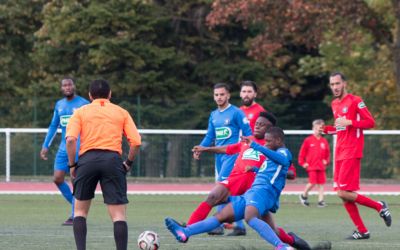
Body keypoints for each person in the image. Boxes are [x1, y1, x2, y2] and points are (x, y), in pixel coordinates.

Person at [166, 127, 296, 250]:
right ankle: (185, 232)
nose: (265, 144)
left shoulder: (282, 151)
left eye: (268, 141)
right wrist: (255, 169)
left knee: (251, 218)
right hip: (252, 193)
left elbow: (284, 162)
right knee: (221, 216)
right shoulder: (266, 152)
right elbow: (267, 171)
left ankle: (281, 246)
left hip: (262, 192)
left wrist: (256, 146)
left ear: (278, 140)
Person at [66, 79, 141, 250]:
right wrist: (128, 162)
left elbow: (71, 140)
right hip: (112, 161)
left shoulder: (80, 112)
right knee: (118, 216)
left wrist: (72, 166)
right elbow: (136, 142)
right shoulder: (121, 112)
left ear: (90, 95)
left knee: (79, 213)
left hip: (87, 161)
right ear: (110, 94)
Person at [325, 72, 391, 240]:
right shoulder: (334, 104)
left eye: (337, 83)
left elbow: (370, 122)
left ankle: (379, 206)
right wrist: (325, 130)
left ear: (344, 83)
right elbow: (340, 129)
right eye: (332, 84)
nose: (335, 87)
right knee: (344, 194)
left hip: (352, 150)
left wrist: (351, 122)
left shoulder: (356, 100)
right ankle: (362, 230)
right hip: (339, 152)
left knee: (342, 192)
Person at [193, 83, 252, 235]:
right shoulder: (214, 115)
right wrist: (200, 148)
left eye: (222, 94)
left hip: (232, 157)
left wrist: (246, 153)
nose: (219, 97)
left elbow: (249, 134)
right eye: (216, 95)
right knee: (228, 192)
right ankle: (239, 225)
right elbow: (210, 136)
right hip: (219, 157)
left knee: (222, 190)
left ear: (228, 95)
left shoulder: (236, 113)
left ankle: (217, 225)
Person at [40, 78, 89, 225]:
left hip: (79, 147)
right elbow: (54, 126)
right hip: (63, 148)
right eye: (64, 85)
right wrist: (45, 145)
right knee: (58, 178)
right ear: (61, 88)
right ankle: (78, 206)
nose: (67, 87)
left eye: (69, 85)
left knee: (76, 181)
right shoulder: (59, 105)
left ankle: (75, 215)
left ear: (74, 86)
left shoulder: (84, 104)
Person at [298, 119, 330, 208]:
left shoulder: (324, 141)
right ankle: (303, 195)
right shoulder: (308, 140)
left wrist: (326, 161)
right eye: (317, 128)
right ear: (313, 128)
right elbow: (302, 153)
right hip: (311, 166)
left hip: (321, 167)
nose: (319, 130)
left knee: (321, 184)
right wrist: (302, 163)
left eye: (321, 128)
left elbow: (327, 154)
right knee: (312, 182)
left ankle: (321, 201)